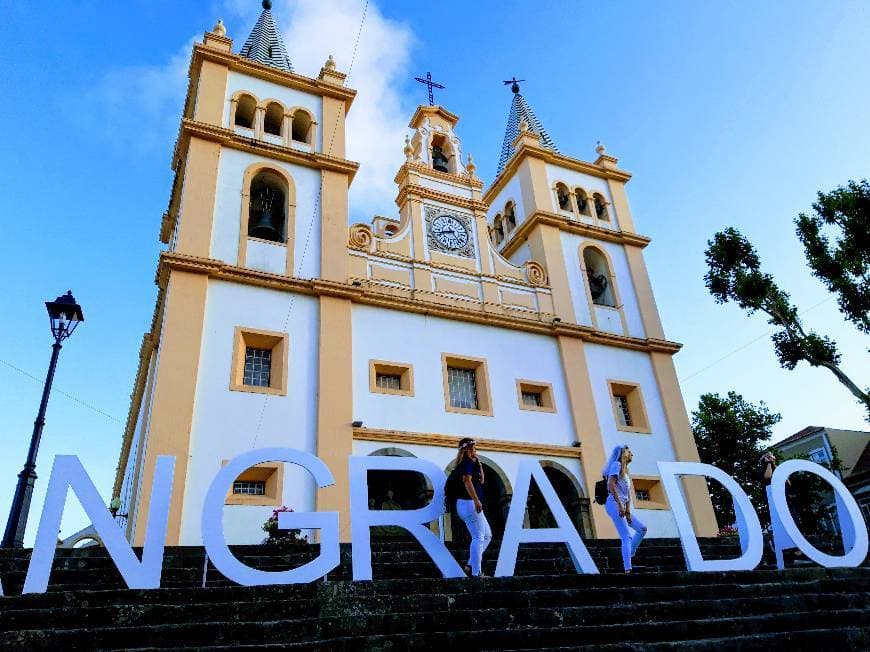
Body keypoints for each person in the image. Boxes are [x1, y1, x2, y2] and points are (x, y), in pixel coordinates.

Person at [603, 444, 647, 573]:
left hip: (622, 506)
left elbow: (627, 494)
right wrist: (620, 505)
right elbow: (610, 484)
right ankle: (628, 569)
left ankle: (630, 552)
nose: (631, 453)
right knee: (626, 536)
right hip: (613, 504)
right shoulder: (616, 465)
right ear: (623, 453)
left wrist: (628, 509)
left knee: (642, 529)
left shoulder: (625, 471)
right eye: (629, 451)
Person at [454, 438, 492, 577]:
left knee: (487, 536)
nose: (475, 450)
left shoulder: (470, 463)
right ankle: (477, 573)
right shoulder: (467, 462)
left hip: (465, 504)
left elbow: (482, 480)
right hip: (469, 503)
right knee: (478, 537)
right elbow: (467, 481)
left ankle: (470, 565)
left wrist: (479, 464)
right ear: (467, 449)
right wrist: (476, 500)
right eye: (473, 448)